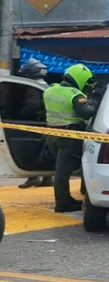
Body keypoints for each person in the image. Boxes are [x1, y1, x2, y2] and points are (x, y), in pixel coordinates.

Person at [42, 63, 98, 213]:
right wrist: (95, 102)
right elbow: (86, 113)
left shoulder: (50, 90)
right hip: (69, 137)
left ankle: (70, 197)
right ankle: (63, 204)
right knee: (63, 171)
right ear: (80, 79)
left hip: (52, 135)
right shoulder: (74, 94)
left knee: (61, 170)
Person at [15, 58, 53, 189]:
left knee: (30, 149)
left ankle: (33, 177)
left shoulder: (32, 88)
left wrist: (20, 115)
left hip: (34, 123)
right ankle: (47, 177)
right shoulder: (45, 85)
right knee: (44, 150)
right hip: (46, 123)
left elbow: (33, 106)